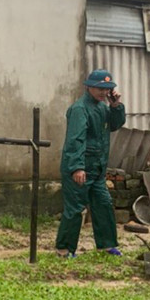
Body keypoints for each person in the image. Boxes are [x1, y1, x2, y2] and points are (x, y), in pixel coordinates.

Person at [55, 68, 126, 258]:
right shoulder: (79, 109)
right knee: (75, 209)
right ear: (88, 87)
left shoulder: (103, 107)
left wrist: (116, 106)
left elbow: (115, 124)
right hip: (80, 169)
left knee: (103, 204)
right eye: (100, 89)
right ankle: (64, 249)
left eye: (107, 89)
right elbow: (75, 140)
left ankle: (106, 244)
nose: (104, 92)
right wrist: (77, 167)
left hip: (97, 169)